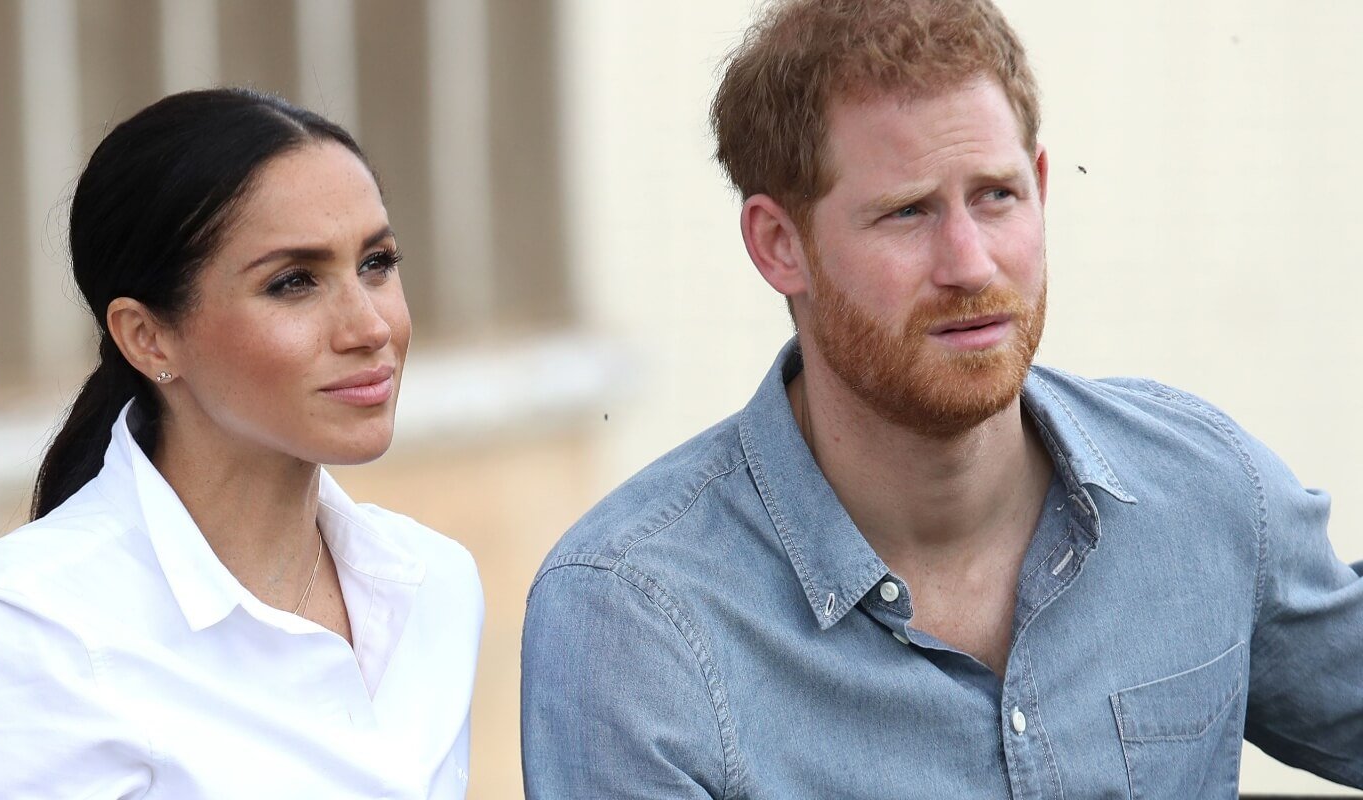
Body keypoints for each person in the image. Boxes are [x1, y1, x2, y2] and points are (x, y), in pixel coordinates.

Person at [520, 0, 1363, 796]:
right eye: (908, 212)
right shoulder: (635, 619)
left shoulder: (1204, 492)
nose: (970, 263)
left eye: (996, 196)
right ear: (780, 245)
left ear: (1041, 184)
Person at [0, 89, 483, 798]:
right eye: (294, 282)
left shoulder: (431, 585)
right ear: (147, 335)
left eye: (376, 263)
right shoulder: (19, 637)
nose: (369, 327)